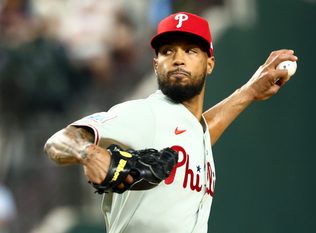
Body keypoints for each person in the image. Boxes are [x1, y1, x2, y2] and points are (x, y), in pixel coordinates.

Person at [44, 12, 298, 233]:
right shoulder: (145, 113)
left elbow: (198, 132)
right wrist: (89, 153)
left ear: (209, 64)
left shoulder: (192, 129)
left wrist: (249, 91)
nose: (178, 59)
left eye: (190, 50)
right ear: (156, 65)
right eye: (168, 51)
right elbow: (59, 140)